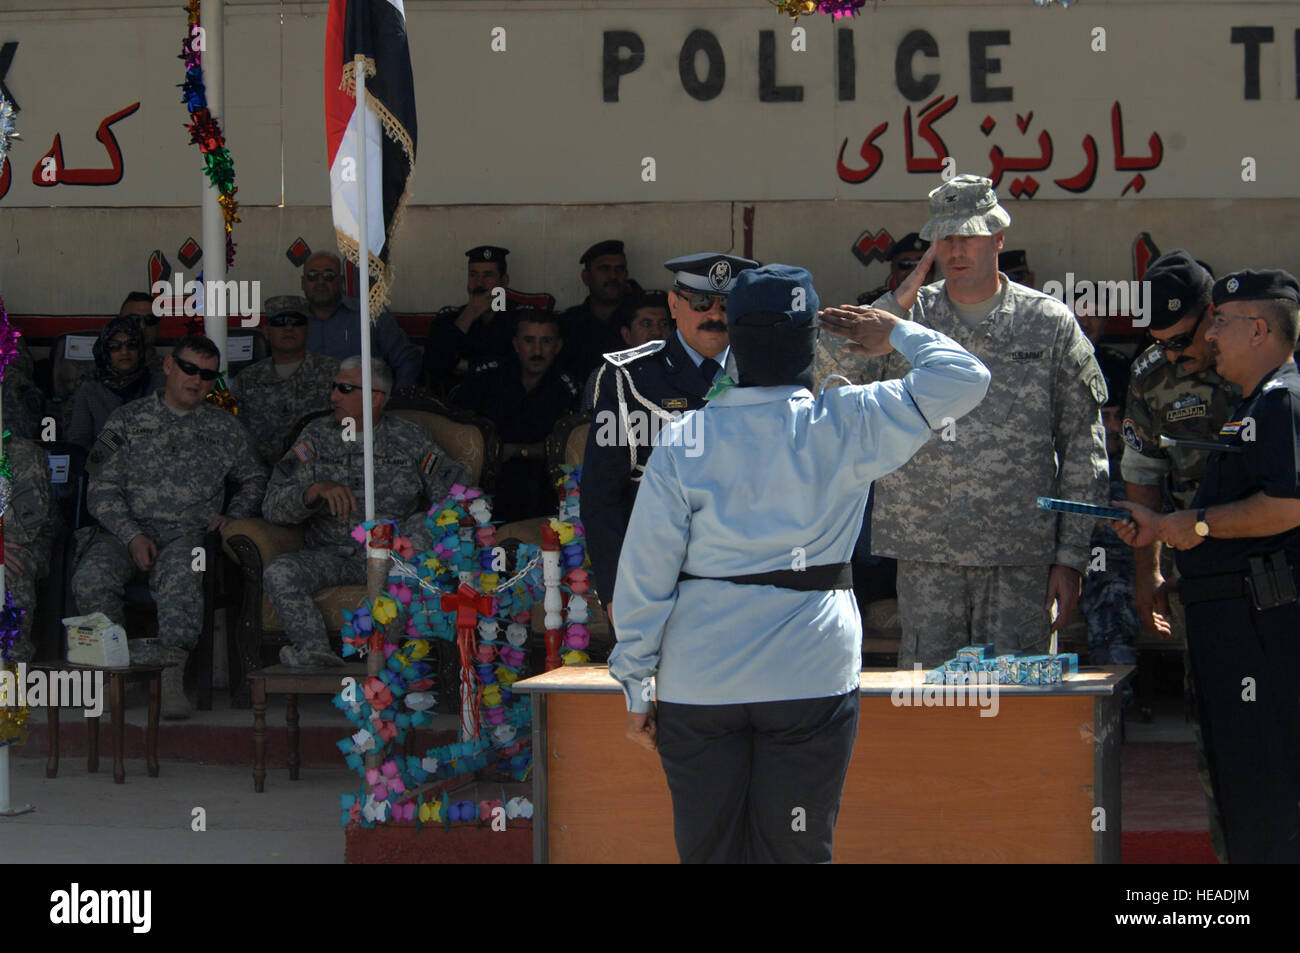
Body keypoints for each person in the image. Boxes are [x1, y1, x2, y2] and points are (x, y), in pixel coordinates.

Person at [610, 264, 990, 863]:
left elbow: (644, 575)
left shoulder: (686, 439)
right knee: (798, 851)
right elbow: (965, 377)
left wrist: (636, 683)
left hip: (701, 678)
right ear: (812, 336)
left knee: (708, 852)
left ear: (733, 335)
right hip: (809, 676)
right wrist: (894, 332)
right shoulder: (849, 420)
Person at [852, 174, 1109, 667]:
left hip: (1019, 555)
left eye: (968, 235)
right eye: (945, 238)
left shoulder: (1048, 323)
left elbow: (1082, 446)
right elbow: (832, 375)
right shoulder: (905, 321)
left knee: (1017, 709)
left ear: (998, 238)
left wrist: (1071, 555)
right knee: (933, 710)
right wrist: (894, 302)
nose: (956, 250)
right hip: (928, 552)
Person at [1113, 268, 1300, 863]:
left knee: (1269, 770)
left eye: (1214, 324)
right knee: (1233, 767)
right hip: (1218, 601)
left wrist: (1191, 526)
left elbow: (1287, 502)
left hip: (1267, 611)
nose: (1203, 341)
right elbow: (1150, 482)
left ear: (1255, 327)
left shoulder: (1280, 394)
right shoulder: (1216, 393)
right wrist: (1160, 568)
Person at [73, 334, 267, 718]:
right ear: (168, 366)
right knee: (90, 579)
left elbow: (255, 478)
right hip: (122, 531)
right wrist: (132, 535)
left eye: (208, 375)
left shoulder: (226, 428)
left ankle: (170, 676)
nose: (196, 380)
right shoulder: (123, 421)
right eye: (189, 369)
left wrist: (234, 514)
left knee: (183, 575)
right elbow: (97, 484)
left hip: (189, 535)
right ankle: (111, 674)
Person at [262, 356, 470, 668]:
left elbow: (458, 496)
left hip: (391, 559)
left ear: (375, 398)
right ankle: (315, 653)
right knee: (279, 572)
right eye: (334, 387)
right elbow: (272, 505)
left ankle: (385, 662)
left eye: (344, 389)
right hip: (330, 555)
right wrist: (313, 491)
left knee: (413, 562)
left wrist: (416, 534)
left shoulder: (410, 439)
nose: (333, 396)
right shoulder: (315, 437)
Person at [581, 253, 758, 613]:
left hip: (747, 583)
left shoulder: (764, 377)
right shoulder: (629, 379)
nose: (714, 315)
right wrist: (616, 594)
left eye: (727, 304)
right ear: (674, 305)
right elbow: (602, 499)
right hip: (658, 582)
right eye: (701, 302)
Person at [454, 309, 580, 522]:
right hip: (486, 479)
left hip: (543, 483)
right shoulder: (487, 377)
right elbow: (458, 432)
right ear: (516, 344)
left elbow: (571, 448)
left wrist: (518, 451)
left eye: (546, 341)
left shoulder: (567, 388)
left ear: (558, 346)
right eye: (529, 341)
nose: (537, 350)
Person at [229, 295, 340, 466]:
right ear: (266, 330)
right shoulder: (246, 380)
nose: (289, 327)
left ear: (307, 329)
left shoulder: (334, 372)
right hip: (261, 476)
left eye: (297, 321)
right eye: (280, 322)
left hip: (320, 472)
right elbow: (234, 436)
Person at [1080, 350, 1138, 669]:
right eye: (1104, 416)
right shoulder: (1073, 457)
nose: (1113, 427)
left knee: (1111, 588)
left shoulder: (1140, 463)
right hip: (1073, 553)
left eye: (1120, 416)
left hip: (1121, 557)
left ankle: (1114, 699)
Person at [299, 251, 422, 391]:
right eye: (312, 276)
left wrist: (394, 401)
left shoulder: (371, 314)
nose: (320, 282)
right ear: (303, 283)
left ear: (341, 282)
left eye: (329, 276)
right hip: (307, 409)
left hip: (362, 409)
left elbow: (408, 359)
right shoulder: (291, 323)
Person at [423, 245, 517, 397]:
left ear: (503, 282)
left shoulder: (519, 318)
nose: (479, 283)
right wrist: (469, 314)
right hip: (456, 408)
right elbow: (433, 364)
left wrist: (467, 366)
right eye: (473, 275)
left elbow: (521, 366)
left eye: (488, 275)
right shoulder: (449, 318)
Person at [66, 316, 166, 452]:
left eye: (132, 344)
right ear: (104, 352)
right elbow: (79, 443)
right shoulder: (90, 390)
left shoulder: (159, 385)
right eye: (114, 346)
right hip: (104, 464)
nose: (124, 352)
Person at [3, 435, 59, 663]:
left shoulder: (22, 453)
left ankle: (9, 674)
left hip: (22, 544)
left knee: (7, 573)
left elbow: (23, 530)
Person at [581, 289, 672, 411]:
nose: (657, 332)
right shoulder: (606, 376)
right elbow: (589, 427)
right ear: (627, 335)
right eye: (646, 324)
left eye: (663, 324)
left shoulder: (685, 372)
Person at [559, 239, 634, 380]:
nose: (613, 276)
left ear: (626, 275)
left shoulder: (639, 321)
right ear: (586, 277)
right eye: (604, 269)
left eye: (619, 269)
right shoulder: (568, 323)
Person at [856, 232, 932, 305]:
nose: (914, 271)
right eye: (905, 264)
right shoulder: (876, 305)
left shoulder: (941, 302)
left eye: (922, 264)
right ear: (893, 269)